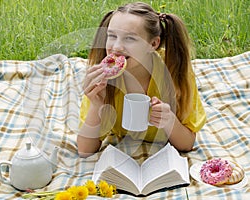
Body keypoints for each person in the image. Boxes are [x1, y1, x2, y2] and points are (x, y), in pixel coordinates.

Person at [77, 2, 206, 158]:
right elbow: (85, 150)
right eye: (112, 36)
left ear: (153, 44)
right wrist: (96, 104)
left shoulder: (174, 71)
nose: (116, 47)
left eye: (130, 38)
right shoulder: (102, 79)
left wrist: (169, 121)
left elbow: (187, 144)